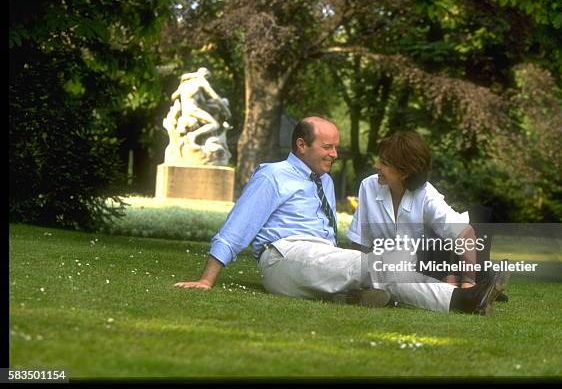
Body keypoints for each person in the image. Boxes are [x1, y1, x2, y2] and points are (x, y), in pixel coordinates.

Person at [174, 117, 508, 315]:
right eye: (327, 147)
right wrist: (207, 279)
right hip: (285, 255)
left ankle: (359, 296)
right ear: (302, 145)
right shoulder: (273, 176)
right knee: (382, 264)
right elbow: (238, 226)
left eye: (336, 147)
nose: (335, 154)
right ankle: (464, 300)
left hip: (317, 257)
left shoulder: (324, 180)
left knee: (383, 266)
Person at [348, 131, 480, 288]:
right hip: (390, 267)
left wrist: (468, 283)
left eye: (384, 163)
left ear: (404, 172)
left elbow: (465, 234)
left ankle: (468, 280)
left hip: (431, 264)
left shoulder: (426, 195)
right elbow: (359, 241)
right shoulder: (368, 186)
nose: (376, 166)